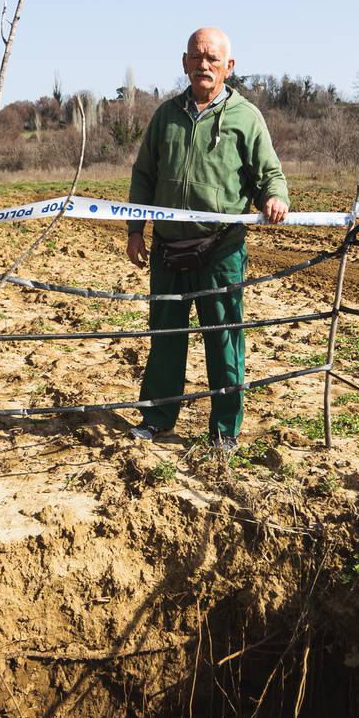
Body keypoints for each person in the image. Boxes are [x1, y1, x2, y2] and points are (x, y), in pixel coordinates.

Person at [124, 27, 289, 450]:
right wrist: (134, 230)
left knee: (224, 339)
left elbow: (269, 173)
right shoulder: (165, 115)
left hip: (220, 250)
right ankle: (158, 418)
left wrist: (274, 197)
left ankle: (224, 431)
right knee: (165, 338)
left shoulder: (246, 117)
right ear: (184, 63)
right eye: (197, 57)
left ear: (228, 67)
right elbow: (143, 174)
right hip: (167, 249)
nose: (204, 65)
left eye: (213, 59)